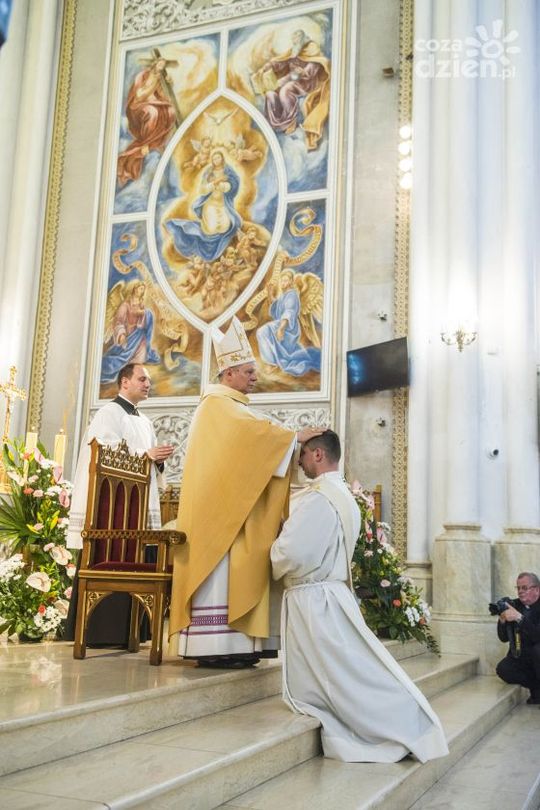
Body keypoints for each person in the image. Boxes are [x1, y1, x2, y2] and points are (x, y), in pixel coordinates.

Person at [270, 431, 449, 763]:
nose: (299, 463)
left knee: (348, 676)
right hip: (328, 594)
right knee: (351, 668)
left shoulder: (318, 499)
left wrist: (271, 548)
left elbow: (293, 553)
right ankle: (407, 722)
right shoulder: (342, 495)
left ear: (318, 454)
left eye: (303, 455)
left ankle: (399, 725)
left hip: (316, 600)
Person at [168, 316, 322, 668]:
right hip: (217, 516)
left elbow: (253, 439)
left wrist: (286, 440)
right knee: (221, 576)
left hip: (232, 509)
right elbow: (252, 438)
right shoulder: (216, 406)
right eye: (249, 372)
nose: (255, 377)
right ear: (229, 373)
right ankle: (215, 647)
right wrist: (293, 437)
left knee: (240, 569)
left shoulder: (232, 406)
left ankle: (239, 644)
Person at [65, 363, 174, 645]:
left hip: (138, 506)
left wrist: (157, 461)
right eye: (142, 379)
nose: (148, 384)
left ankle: (133, 632)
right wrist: (145, 454)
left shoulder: (145, 421)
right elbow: (102, 453)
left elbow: (147, 462)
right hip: (114, 510)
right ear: (125, 382)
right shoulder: (108, 413)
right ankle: (103, 632)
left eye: (148, 380)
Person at [257, 29, 330, 150]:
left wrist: (301, 73)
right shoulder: (295, 50)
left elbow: (311, 71)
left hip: (306, 83)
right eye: (293, 40)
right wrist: (269, 66)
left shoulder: (312, 49)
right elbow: (282, 62)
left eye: (296, 39)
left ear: (302, 39)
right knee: (271, 92)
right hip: (292, 78)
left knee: (286, 90)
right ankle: (276, 123)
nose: (294, 42)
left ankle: (290, 122)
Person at [166, 150, 242, 263]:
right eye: (214, 159)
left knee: (225, 227)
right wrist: (211, 185)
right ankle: (203, 245)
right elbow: (202, 190)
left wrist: (224, 186)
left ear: (222, 158)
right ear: (212, 160)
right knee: (211, 229)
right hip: (210, 204)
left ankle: (219, 249)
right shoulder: (208, 172)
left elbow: (235, 184)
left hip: (223, 205)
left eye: (218, 158)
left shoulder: (228, 171)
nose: (216, 160)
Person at [117, 57, 177, 187]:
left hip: (154, 103)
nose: (161, 67)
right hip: (138, 106)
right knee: (153, 113)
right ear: (155, 64)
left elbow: (162, 96)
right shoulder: (143, 75)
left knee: (171, 111)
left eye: (163, 66)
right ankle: (144, 145)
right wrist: (154, 83)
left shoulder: (160, 78)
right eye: (159, 64)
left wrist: (168, 84)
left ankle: (156, 142)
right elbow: (139, 95)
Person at [257, 269, 321, 376]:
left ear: (291, 282)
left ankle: (272, 363)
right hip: (281, 323)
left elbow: (289, 312)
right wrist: (270, 293)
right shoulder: (285, 295)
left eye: (285, 281)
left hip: (288, 327)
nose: (283, 283)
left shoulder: (292, 295)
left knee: (263, 331)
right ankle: (273, 361)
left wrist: (281, 328)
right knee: (263, 332)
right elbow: (276, 306)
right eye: (282, 281)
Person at [101, 281, 160, 384]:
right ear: (134, 289)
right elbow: (118, 321)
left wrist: (145, 313)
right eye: (140, 288)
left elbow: (145, 322)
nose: (142, 291)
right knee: (123, 357)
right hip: (129, 336)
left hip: (140, 337)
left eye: (143, 289)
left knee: (139, 359)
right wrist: (122, 335)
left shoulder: (142, 305)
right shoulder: (125, 305)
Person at [495, 572, 540, 704]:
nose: (520, 592)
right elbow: (503, 638)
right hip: (522, 656)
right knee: (503, 668)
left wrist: (519, 618)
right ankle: (536, 688)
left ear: (537, 589)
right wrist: (502, 620)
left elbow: (537, 636)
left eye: (524, 588)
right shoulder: (514, 605)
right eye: (518, 588)